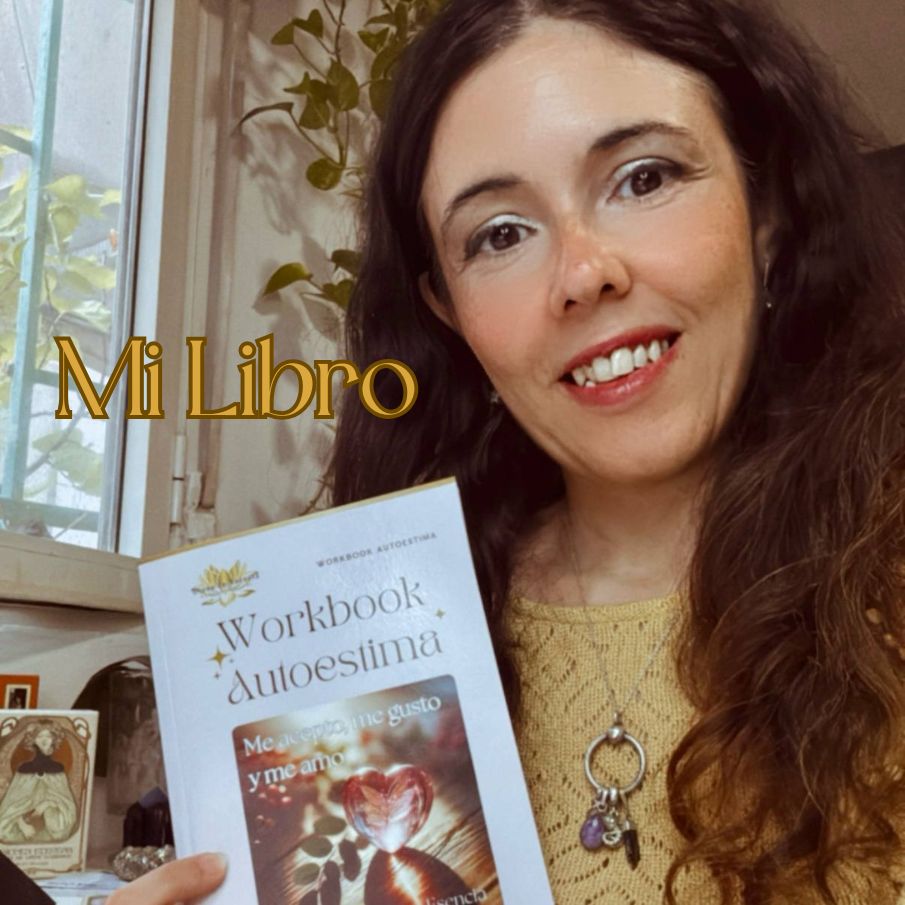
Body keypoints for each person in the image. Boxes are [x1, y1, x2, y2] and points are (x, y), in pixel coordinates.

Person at [110, 0, 905, 902]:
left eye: (642, 178)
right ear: (448, 311)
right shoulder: (397, 641)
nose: (583, 273)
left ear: (765, 207)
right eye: (499, 234)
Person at [0, 721, 78, 843]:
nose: (44, 740)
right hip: (23, 826)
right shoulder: (24, 769)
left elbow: (66, 804)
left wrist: (46, 804)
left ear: (54, 739)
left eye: (48, 736)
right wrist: (22, 824)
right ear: (33, 740)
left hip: (51, 826)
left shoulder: (57, 769)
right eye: (40, 736)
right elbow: (11, 806)